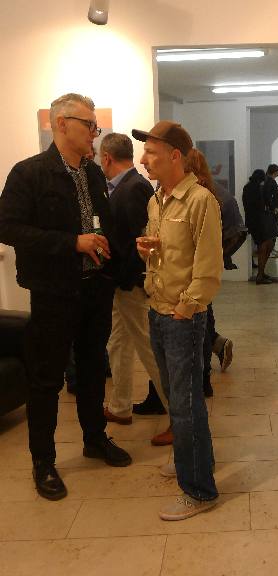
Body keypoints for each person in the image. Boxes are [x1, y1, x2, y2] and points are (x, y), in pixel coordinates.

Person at [0, 93, 132, 501]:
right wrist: (72, 242)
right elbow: (8, 228)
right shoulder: (29, 173)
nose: (95, 132)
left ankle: (95, 438)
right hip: (54, 293)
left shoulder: (91, 172)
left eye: (95, 125)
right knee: (46, 380)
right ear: (62, 124)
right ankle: (44, 461)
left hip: (95, 288)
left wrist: (116, 256)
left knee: (93, 370)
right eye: (88, 125)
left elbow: (101, 223)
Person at [133, 121, 222, 521]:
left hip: (181, 318)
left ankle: (199, 490)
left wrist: (186, 308)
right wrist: (146, 251)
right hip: (157, 310)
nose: (144, 159)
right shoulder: (158, 200)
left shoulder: (200, 201)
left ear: (174, 156)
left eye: (151, 152)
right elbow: (164, 254)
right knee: (177, 399)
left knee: (185, 406)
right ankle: (197, 461)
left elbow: (208, 268)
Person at [99, 132, 169, 432]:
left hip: (131, 284)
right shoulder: (130, 186)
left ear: (106, 158)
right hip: (122, 282)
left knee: (148, 347)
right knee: (118, 342)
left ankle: (177, 415)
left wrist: (130, 280)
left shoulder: (131, 188)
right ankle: (120, 406)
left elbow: (138, 242)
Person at [186, 148, 236, 397]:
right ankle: (213, 354)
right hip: (198, 275)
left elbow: (233, 232)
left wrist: (219, 257)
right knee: (205, 321)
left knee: (201, 324)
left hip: (194, 276)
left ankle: (203, 378)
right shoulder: (213, 193)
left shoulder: (202, 197)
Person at [256, 163, 278, 284]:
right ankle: (260, 275)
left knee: (269, 243)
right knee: (267, 243)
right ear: (275, 171)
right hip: (268, 216)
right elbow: (268, 197)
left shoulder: (266, 182)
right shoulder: (270, 182)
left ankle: (261, 273)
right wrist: (274, 208)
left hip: (267, 215)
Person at [243, 169, 266, 273]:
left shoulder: (247, 187)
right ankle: (260, 273)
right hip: (257, 219)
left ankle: (251, 262)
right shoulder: (257, 188)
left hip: (249, 218)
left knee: (251, 243)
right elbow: (260, 205)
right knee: (261, 244)